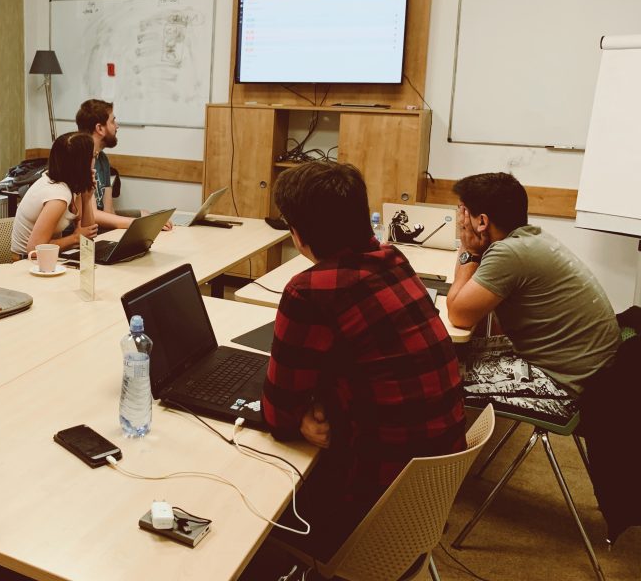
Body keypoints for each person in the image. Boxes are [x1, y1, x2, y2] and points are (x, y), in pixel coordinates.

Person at [261, 161, 465, 568]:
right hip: (425, 499)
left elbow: (278, 414)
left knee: (248, 515)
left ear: (298, 233)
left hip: (369, 510)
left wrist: (298, 413)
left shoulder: (310, 291)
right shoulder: (394, 259)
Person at [446, 172, 620, 422]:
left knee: (437, 377)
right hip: (589, 371)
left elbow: (459, 315)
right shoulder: (529, 238)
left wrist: (470, 250)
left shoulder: (509, 253)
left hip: (567, 385)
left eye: (464, 213)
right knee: (445, 353)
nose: (461, 221)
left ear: (481, 221)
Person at [75, 99, 171, 231]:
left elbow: (108, 211)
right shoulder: (80, 158)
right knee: (146, 222)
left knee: (145, 214)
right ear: (99, 128)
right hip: (84, 227)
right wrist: (141, 224)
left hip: (100, 221)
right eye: (113, 121)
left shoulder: (102, 159)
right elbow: (92, 215)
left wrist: (144, 221)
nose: (117, 126)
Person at [10, 131, 98, 257]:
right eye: (94, 156)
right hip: (26, 262)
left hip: (49, 258)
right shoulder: (58, 196)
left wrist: (87, 197)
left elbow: (88, 235)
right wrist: (75, 238)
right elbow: (34, 250)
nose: (95, 161)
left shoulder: (70, 185)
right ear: (82, 163)